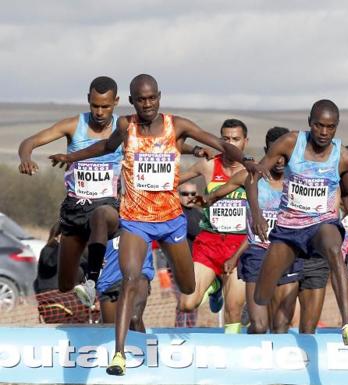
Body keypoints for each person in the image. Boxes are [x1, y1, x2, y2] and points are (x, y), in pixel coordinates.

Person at [49, 74, 259, 376]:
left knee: (188, 290)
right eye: (141, 99)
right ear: (132, 101)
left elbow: (220, 144)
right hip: (136, 221)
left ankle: (211, 284)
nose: (147, 104)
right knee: (130, 280)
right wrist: (71, 156)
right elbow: (105, 147)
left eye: (152, 98)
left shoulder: (178, 126)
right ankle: (119, 355)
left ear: (159, 97)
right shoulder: (126, 126)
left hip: (171, 222)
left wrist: (247, 162)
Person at [249, 99, 348, 345]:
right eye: (318, 126)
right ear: (309, 123)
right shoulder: (291, 143)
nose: (324, 133)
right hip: (289, 228)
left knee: (335, 249)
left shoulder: (343, 156)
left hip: (321, 222)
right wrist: (258, 214)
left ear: (336, 127)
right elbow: (253, 177)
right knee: (261, 296)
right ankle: (253, 326)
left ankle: (346, 325)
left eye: (330, 127)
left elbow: (346, 193)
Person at [19, 76, 122, 307]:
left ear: (115, 101)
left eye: (105, 106)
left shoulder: (122, 129)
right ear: (88, 100)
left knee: (101, 215)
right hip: (75, 210)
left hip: (108, 209)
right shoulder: (73, 126)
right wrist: (26, 158)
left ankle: (93, 281)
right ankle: (86, 278)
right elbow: (30, 141)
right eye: (95, 105)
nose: (99, 111)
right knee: (65, 283)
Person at [193, 127, 301, 333]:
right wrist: (204, 200)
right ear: (266, 150)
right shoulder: (249, 177)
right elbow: (215, 195)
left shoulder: (297, 179)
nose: (279, 160)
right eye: (274, 153)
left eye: (284, 154)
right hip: (257, 255)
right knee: (259, 326)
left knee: (280, 325)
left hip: (287, 254)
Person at [177, 119, 251, 334]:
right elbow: (176, 181)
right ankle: (216, 284)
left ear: (245, 141)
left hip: (239, 246)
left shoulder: (252, 170)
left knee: (233, 311)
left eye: (236, 139)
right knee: (186, 304)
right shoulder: (209, 165)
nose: (230, 144)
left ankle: (232, 354)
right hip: (210, 242)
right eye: (225, 139)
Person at [172, 182, 202, 327]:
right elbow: (196, 231)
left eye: (193, 194)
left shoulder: (199, 213)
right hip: (177, 266)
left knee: (193, 302)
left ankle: (191, 330)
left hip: (197, 265)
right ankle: (178, 331)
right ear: (178, 195)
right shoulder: (175, 213)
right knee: (182, 301)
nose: (189, 197)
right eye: (185, 194)